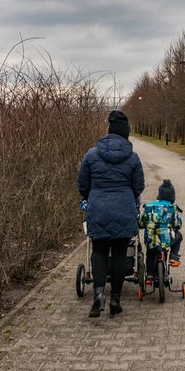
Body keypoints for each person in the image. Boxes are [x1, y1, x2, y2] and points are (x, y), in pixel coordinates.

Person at [77, 110, 145, 318]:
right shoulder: (133, 158)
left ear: (108, 131)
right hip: (124, 208)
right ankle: (115, 299)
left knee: (98, 249)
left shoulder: (91, 154)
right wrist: (127, 196)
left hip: (98, 208)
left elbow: (82, 184)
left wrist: (94, 196)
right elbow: (139, 186)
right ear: (126, 133)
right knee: (118, 253)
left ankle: (99, 294)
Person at [138, 179, 183, 281]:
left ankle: (149, 274)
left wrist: (143, 225)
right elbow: (177, 224)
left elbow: (140, 222)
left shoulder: (148, 206)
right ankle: (173, 256)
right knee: (179, 235)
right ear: (172, 197)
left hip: (151, 239)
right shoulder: (172, 208)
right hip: (166, 239)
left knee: (150, 252)